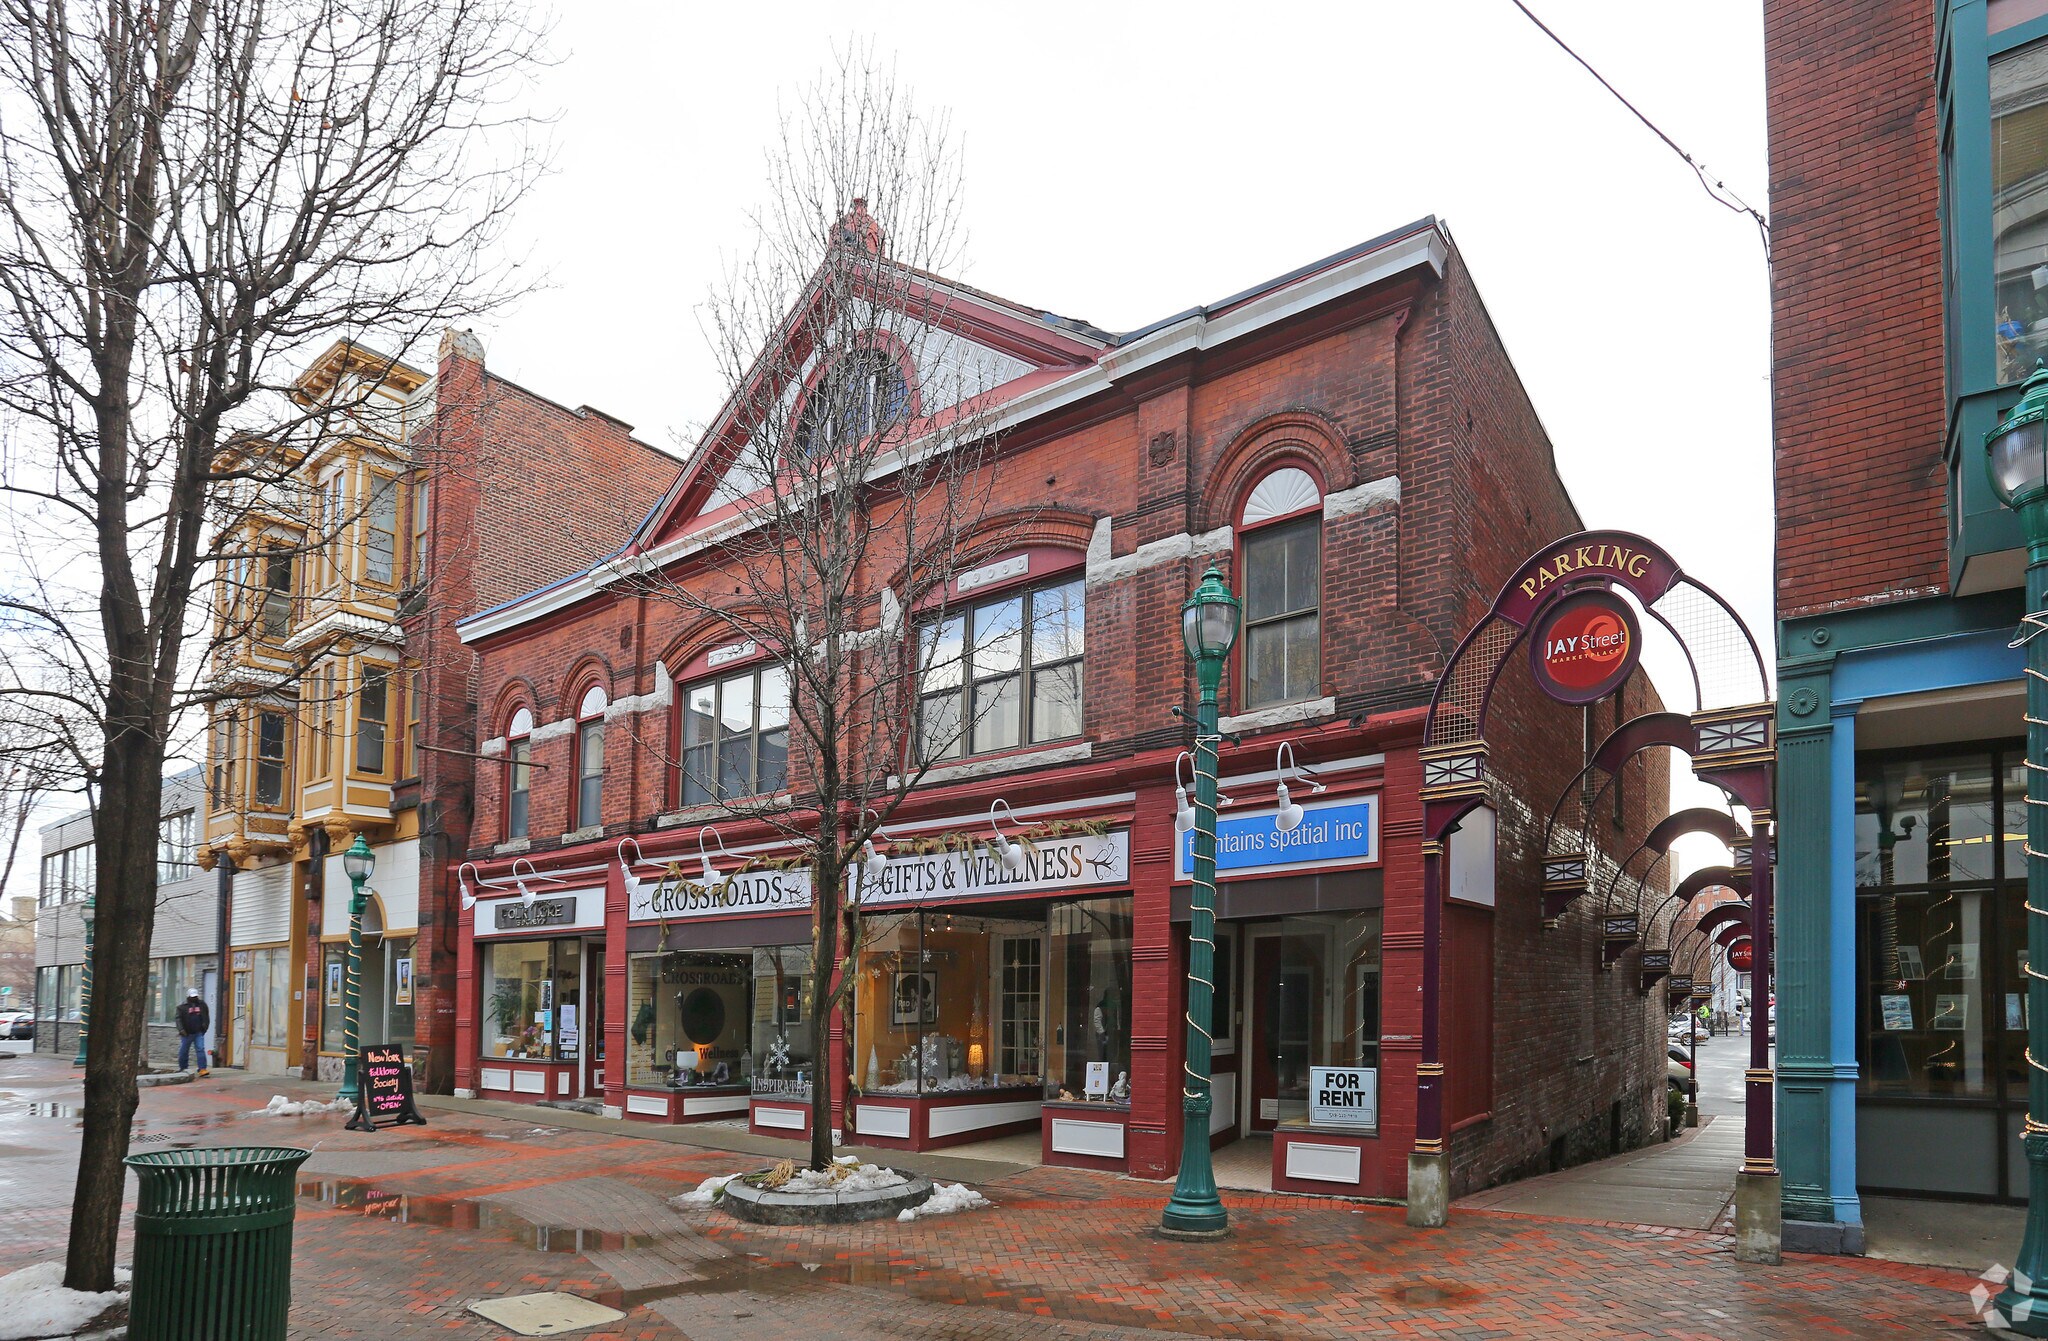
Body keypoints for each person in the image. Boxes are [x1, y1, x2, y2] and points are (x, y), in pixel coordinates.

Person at [175, 987, 210, 1076]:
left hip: (199, 1032)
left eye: (195, 996)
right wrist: (181, 1030)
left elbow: (206, 1017)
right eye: (192, 997)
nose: (194, 998)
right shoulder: (182, 1007)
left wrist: (205, 1027)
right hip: (187, 1033)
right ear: (188, 997)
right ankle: (183, 1068)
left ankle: (202, 1069)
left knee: (200, 1049)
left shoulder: (202, 1005)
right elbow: (178, 1019)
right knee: (184, 1050)